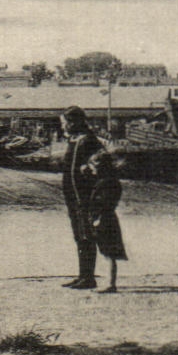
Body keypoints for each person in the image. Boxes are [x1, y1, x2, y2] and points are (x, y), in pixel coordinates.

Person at [58, 106, 129, 291]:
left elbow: (102, 166)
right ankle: (84, 275)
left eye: (65, 123)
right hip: (74, 198)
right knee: (80, 236)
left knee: (88, 235)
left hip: (87, 198)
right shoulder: (75, 140)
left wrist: (97, 196)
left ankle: (89, 278)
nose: (63, 126)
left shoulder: (87, 141)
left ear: (74, 122)